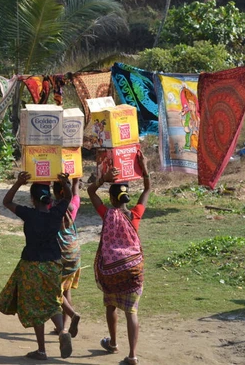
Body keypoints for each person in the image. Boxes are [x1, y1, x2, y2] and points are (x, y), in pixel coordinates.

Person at [0, 172, 74, 361]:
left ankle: (41, 350)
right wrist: (65, 183)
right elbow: (69, 197)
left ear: (32, 199)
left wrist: (18, 182)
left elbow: (6, 202)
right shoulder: (56, 213)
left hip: (32, 265)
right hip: (53, 264)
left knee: (37, 307)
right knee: (53, 301)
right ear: (49, 199)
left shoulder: (29, 214)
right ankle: (63, 331)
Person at [87, 151, 150, 365]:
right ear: (126, 198)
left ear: (112, 198)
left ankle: (113, 343)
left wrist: (103, 179)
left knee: (111, 305)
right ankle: (132, 356)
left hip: (111, 271)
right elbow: (148, 189)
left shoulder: (107, 214)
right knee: (131, 311)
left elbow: (90, 191)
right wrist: (145, 168)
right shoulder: (135, 215)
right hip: (133, 270)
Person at [52, 177, 81, 338]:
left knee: (55, 289)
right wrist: (75, 182)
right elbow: (75, 194)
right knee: (66, 288)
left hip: (60, 253)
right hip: (74, 252)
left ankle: (72, 315)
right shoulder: (73, 206)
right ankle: (63, 328)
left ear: (55, 192)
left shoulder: (51, 206)